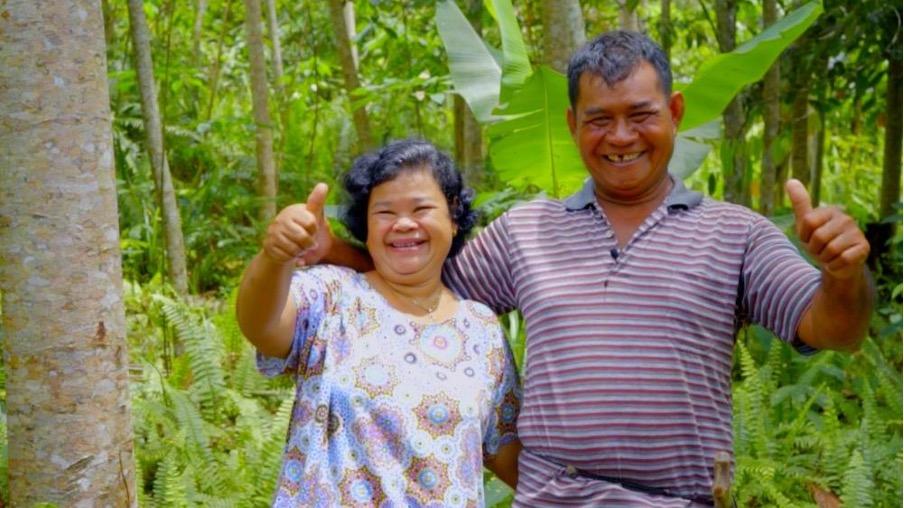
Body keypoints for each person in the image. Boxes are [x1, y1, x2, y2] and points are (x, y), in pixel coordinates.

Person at [298, 32, 875, 507]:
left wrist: (843, 274)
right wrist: (335, 252)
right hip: (551, 498)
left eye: (640, 115)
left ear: (673, 114)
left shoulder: (736, 233)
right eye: (600, 120)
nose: (621, 137)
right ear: (573, 125)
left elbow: (834, 330)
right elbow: (418, 289)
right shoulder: (523, 232)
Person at [236, 139, 522, 507]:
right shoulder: (333, 294)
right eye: (385, 212)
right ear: (366, 227)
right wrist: (275, 257)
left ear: (452, 218)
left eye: (421, 208)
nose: (403, 224)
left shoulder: (481, 329)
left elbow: (505, 450)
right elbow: (263, 325)